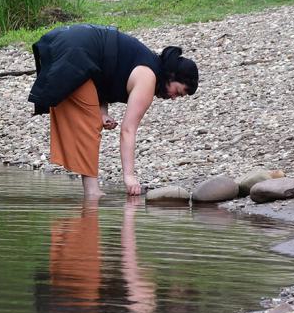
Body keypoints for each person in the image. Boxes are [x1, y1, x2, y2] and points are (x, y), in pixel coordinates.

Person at [28, 24, 199, 197]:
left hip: (67, 40)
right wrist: (129, 177)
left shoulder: (148, 65)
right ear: (171, 76)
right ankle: (92, 193)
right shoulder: (148, 78)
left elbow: (102, 78)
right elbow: (128, 130)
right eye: (178, 92)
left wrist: (102, 112)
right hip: (75, 50)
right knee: (90, 125)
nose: (174, 98)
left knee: (93, 120)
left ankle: (91, 193)